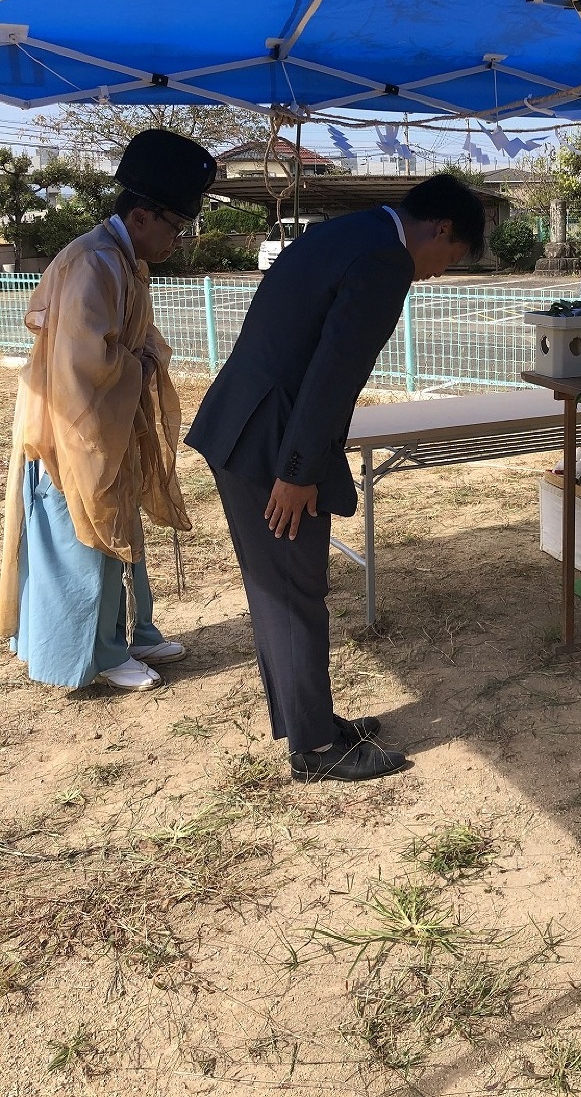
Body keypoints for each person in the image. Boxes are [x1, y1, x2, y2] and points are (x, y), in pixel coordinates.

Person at [186, 174, 486, 784]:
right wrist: (297, 473)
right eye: (451, 258)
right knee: (293, 591)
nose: (438, 271)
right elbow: (333, 375)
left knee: (278, 589)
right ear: (442, 229)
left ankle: (308, 722)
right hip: (270, 442)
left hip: (243, 421)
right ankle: (317, 748)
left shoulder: (348, 234)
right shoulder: (384, 260)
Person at [0, 129, 216, 691]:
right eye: (175, 226)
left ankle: (133, 633)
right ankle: (96, 654)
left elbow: (136, 340)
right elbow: (83, 363)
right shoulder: (95, 262)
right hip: (71, 426)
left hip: (106, 418)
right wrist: (139, 367)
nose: (178, 239)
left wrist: (142, 360)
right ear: (143, 215)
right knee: (83, 536)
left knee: (119, 523)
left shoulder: (121, 258)